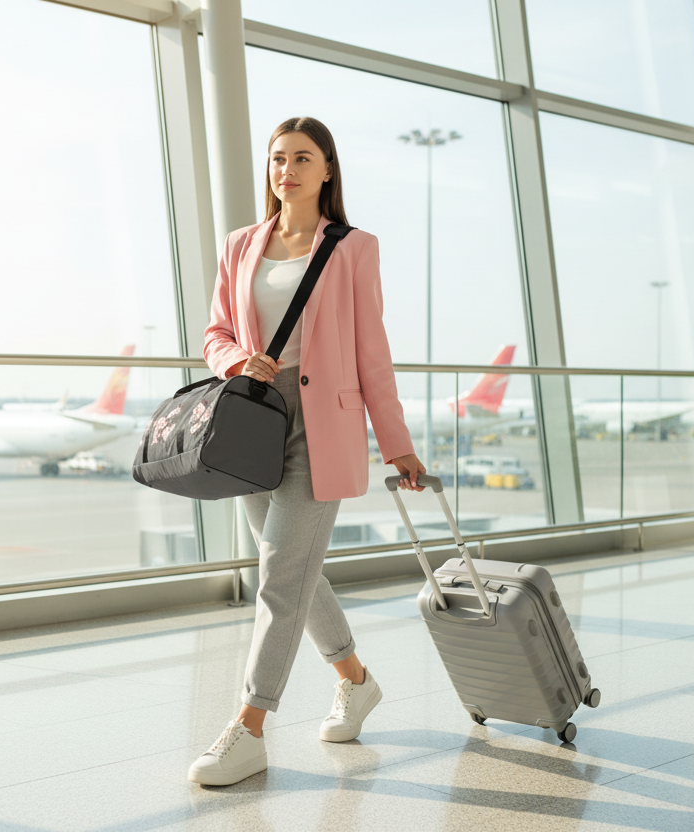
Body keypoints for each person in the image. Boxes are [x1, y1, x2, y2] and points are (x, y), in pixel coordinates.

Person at [188, 116, 427, 787]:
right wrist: (239, 360)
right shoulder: (240, 244)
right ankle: (355, 680)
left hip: (321, 427)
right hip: (250, 422)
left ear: (327, 170)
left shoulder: (353, 248)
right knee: (291, 570)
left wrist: (397, 446)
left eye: (301, 158)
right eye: (276, 159)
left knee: (278, 577)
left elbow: (371, 355)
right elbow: (213, 332)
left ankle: (250, 727)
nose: (285, 170)